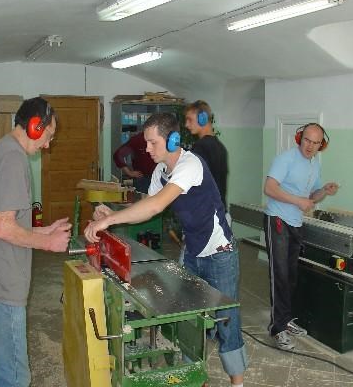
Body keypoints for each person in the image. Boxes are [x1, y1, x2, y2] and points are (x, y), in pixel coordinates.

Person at [85, 113, 248, 387]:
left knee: (226, 320)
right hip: (193, 249)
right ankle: (193, 377)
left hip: (220, 251)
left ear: (173, 140)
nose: (147, 149)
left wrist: (108, 222)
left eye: (153, 143)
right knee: (188, 317)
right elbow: (146, 206)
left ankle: (238, 382)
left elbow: (156, 206)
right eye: (146, 143)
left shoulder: (190, 165)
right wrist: (112, 213)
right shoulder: (161, 171)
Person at [0, 97, 72, 387]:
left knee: (1, 371)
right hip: (0, 286)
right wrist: (48, 244)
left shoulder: (1, 150)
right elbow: (4, 228)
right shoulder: (13, 158)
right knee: (14, 379)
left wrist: (44, 231)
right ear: (35, 127)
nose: (48, 145)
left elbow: (6, 221)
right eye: (49, 136)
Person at [263, 123, 339, 351]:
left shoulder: (314, 164)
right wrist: (298, 201)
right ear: (299, 138)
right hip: (277, 219)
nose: (310, 146)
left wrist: (324, 190)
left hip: (296, 223)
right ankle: (277, 328)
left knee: (291, 276)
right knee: (280, 275)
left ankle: (286, 319)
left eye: (316, 143)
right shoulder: (285, 159)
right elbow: (269, 188)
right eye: (307, 140)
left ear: (321, 145)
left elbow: (312, 196)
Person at [185, 100, 228, 210]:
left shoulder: (201, 147)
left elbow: (193, 182)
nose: (186, 125)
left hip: (206, 213)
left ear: (202, 118)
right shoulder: (220, 146)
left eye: (190, 120)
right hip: (219, 210)